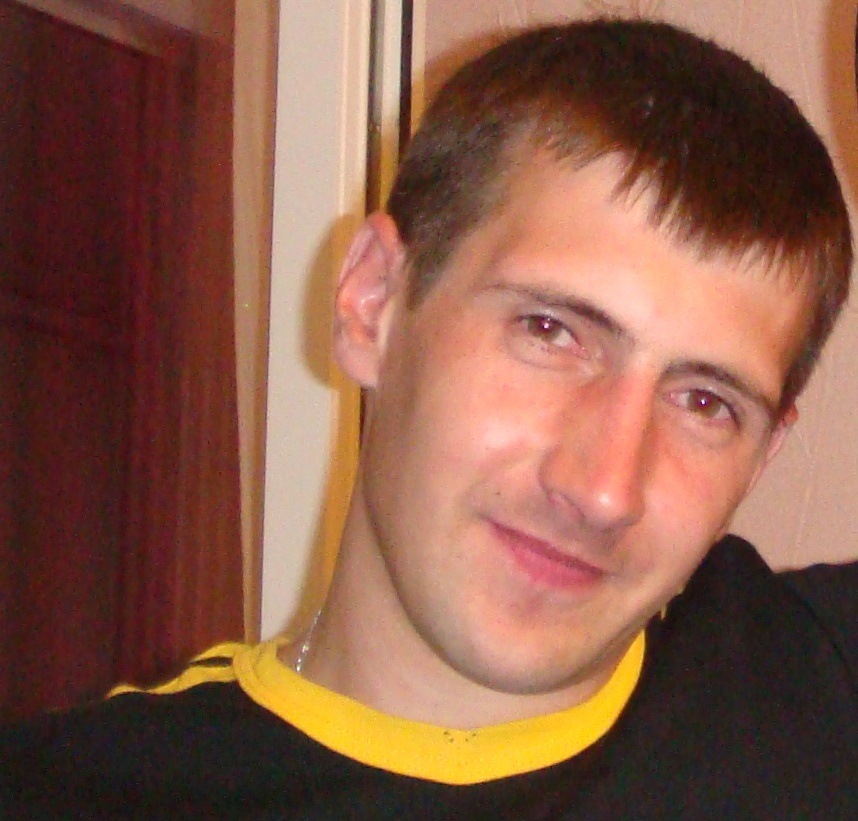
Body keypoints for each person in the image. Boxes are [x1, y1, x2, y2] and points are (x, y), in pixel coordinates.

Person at [2, 17, 856, 819]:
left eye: (705, 402)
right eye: (548, 331)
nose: (603, 490)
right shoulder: (72, 791)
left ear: (764, 452)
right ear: (372, 301)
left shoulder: (816, 693)